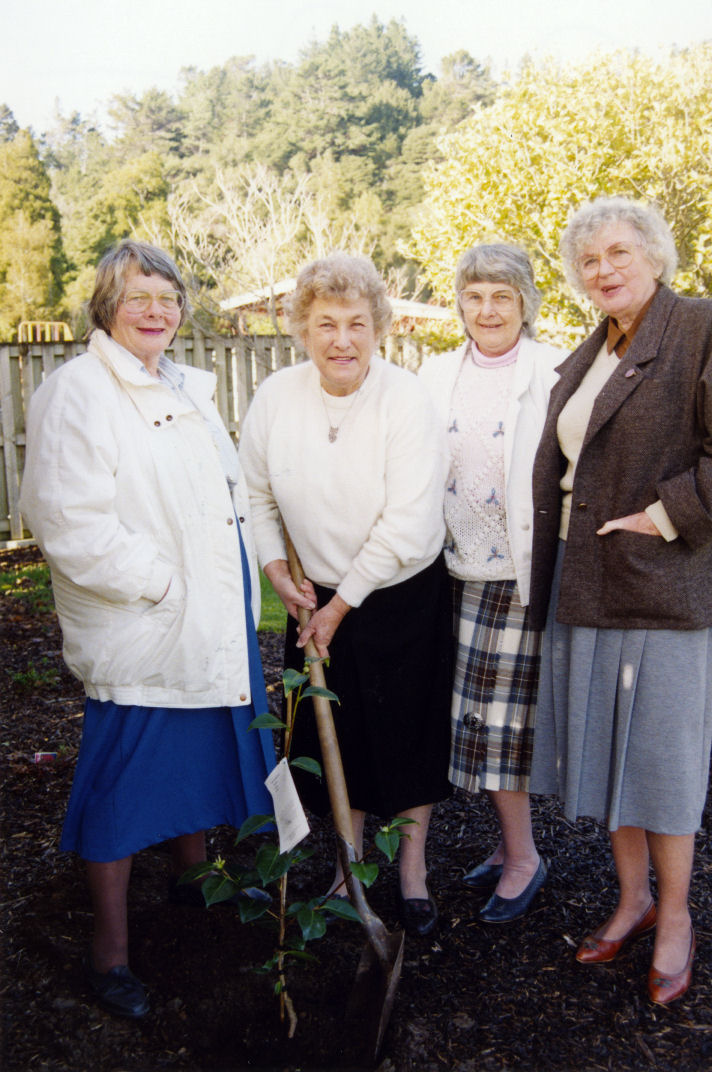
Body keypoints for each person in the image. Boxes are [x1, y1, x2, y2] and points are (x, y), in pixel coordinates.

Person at [19, 240, 276, 1019]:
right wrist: (163, 585)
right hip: (151, 623)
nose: (157, 311)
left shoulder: (183, 386)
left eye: (167, 296)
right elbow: (66, 520)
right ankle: (110, 952)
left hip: (211, 618)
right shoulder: (79, 392)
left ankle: (197, 883)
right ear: (106, 307)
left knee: (199, 757)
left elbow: (222, 496)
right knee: (125, 786)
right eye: (139, 297)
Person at [529, 196, 712, 1005]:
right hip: (585, 576)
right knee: (610, 752)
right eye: (588, 262)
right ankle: (632, 900)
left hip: (657, 580)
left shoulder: (698, 328)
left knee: (663, 762)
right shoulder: (590, 350)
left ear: (656, 256)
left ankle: (676, 915)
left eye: (617, 254)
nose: (602, 271)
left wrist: (667, 515)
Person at [238, 252, 452, 937]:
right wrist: (276, 568)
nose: (342, 339)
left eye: (357, 323)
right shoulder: (276, 397)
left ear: (378, 328)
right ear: (302, 327)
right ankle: (347, 869)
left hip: (400, 591)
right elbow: (257, 494)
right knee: (340, 737)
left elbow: (410, 520)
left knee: (411, 739)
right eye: (325, 323)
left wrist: (343, 603)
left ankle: (413, 875)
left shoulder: (407, 398)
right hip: (311, 596)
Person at [419, 244, 564, 923]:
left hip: (516, 571)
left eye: (501, 296)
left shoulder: (554, 368)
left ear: (525, 303)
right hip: (448, 568)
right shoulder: (435, 370)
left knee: (504, 728)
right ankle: (505, 849)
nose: (487, 310)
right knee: (468, 721)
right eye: (475, 295)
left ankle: (526, 856)